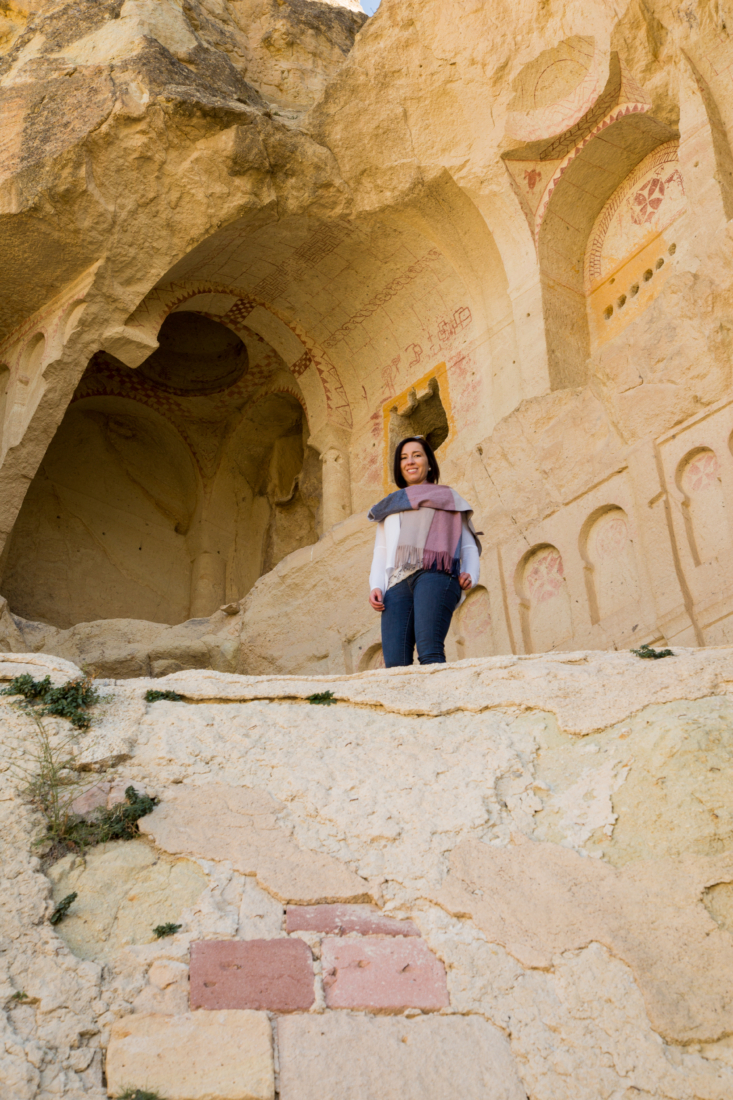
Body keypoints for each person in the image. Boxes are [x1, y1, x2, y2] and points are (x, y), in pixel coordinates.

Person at [368, 436, 481, 667]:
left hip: (435, 574)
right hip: (397, 583)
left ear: (429, 463)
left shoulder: (448, 498)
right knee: (395, 665)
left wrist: (470, 573)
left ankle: (440, 703)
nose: (410, 461)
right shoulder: (391, 505)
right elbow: (381, 550)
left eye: (417, 455)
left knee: (429, 651)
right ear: (399, 467)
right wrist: (376, 586)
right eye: (403, 457)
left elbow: (467, 544)